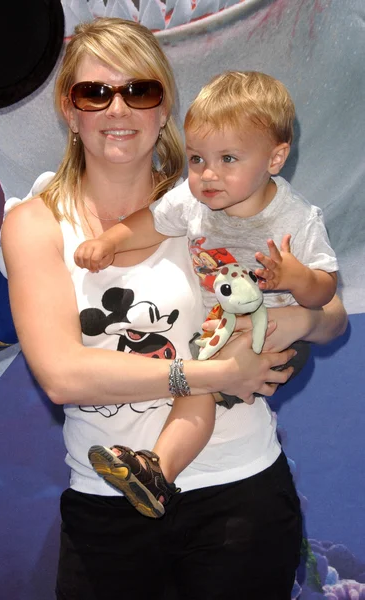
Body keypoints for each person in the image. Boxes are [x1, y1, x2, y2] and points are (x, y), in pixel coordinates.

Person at [0, 19, 347, 600]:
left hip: (242, 495)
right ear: (69, 108)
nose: (118, 109)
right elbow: (63, 377)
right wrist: (217, 374)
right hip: (110, 507)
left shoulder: (211, 197)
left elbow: (329, 312)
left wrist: (306, 320)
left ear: (164, 106)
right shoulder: (35, 223)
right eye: (95, 92)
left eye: (139, 90)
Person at [74, 70, 339, 519]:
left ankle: (157, 471)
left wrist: (296, 278)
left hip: (273, 333)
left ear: (275, 159)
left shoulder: (296, 217)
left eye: (228, 159)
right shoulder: (193, 202)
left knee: (202, 381)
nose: (207, 174)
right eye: (196, 159)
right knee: (203, 379)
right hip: (222, 329)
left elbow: (325, 291)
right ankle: (156, 475)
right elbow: (153, 222)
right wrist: (112, 241)